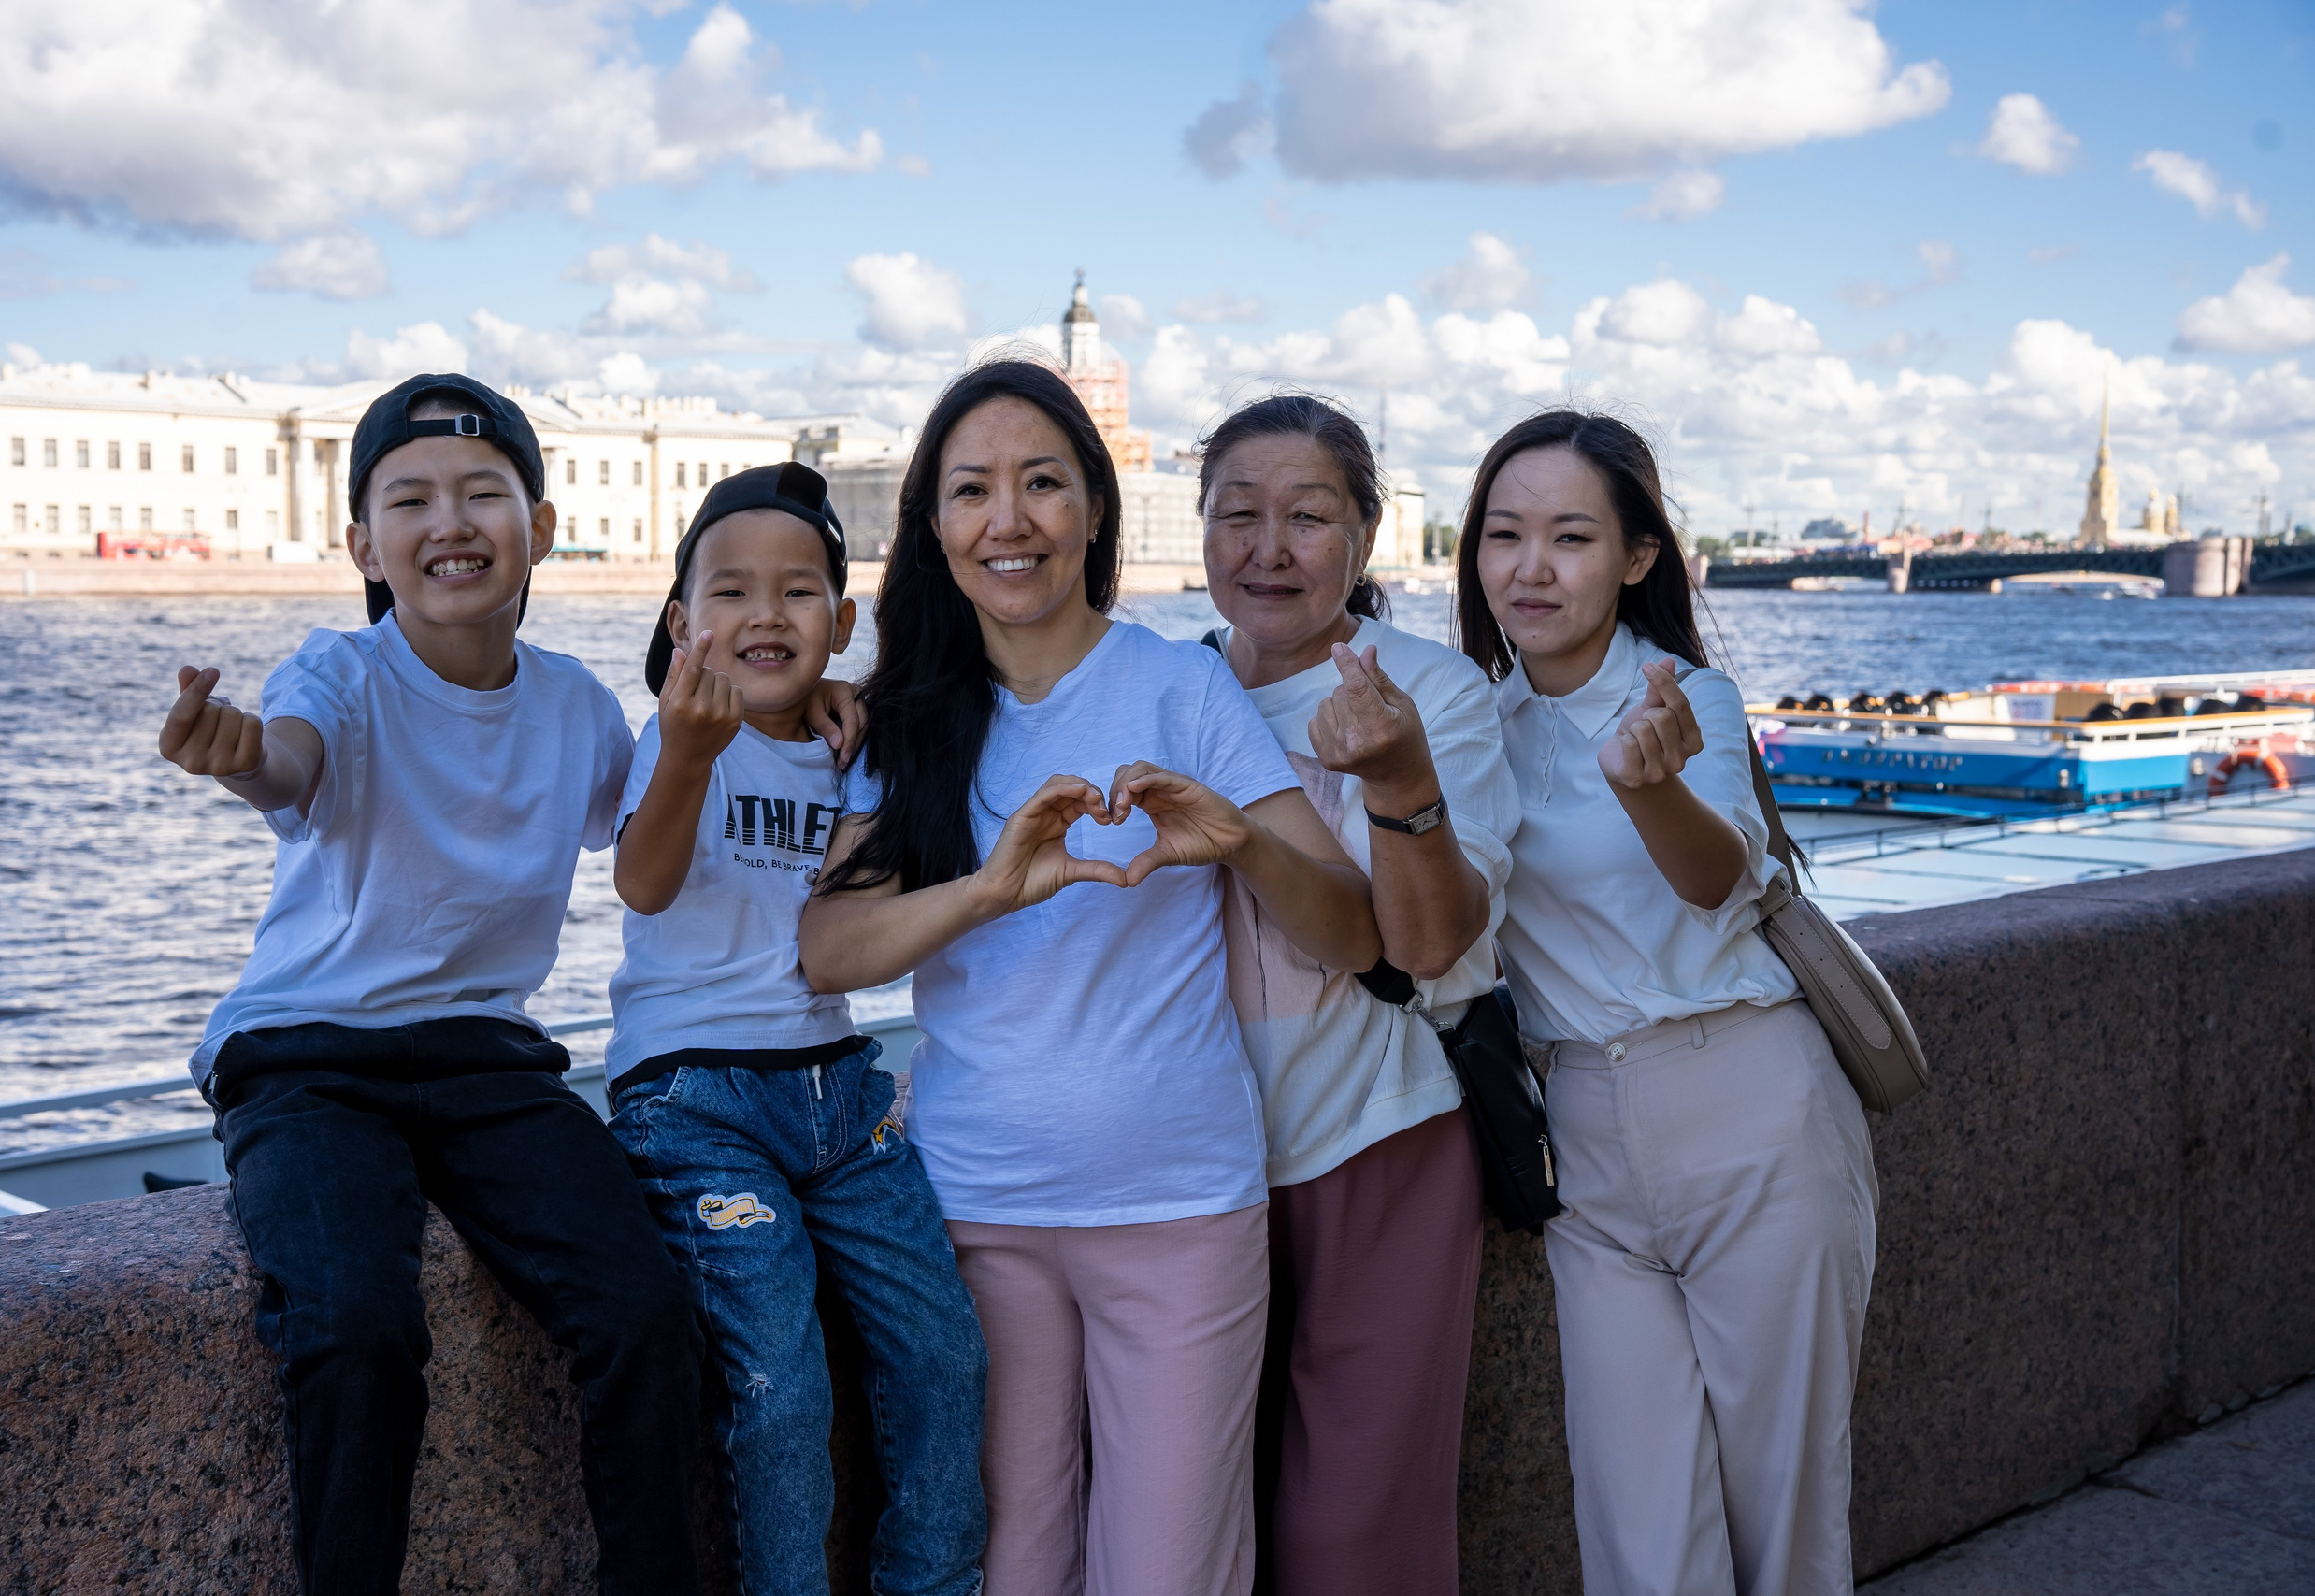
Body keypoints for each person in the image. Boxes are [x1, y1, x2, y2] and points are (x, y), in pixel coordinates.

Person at [797, 359, 1383, 1596]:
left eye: (1042, 483)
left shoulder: (1181, 683)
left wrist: (1241, 838)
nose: (1008, 520)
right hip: (976, 1207)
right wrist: (990, 885)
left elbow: (1352, 930)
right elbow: (829, 950)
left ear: (1096, 511)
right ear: (934, 526)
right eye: (971, 491)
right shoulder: (904, 718)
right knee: (1012, 1562)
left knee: (1168, 1571)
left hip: (1177, 1207)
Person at [158, 374, 704, 1595]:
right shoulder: (338, 674)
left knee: (644, 1307)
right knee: (357, 1324)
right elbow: (291, 762)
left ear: (541, 528)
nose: (448, 520)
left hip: (483, 1059)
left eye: (481, 493)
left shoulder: (572, 702)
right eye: (409, 498)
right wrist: (243, 753)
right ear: (362, 542)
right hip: (307, 1054)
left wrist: (739, 722)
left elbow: (646, 842)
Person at [1453, 410, 1879, 1596]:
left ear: (1637, 555)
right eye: (1503, 535)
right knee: (1634, 1514)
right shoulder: (1477, 722)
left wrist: (1646, 788)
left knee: (1783, 1510)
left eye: (1571, 537)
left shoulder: (1685, 697)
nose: (1529, 569)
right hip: (1582, 1140)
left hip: (1747, 1108)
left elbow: (1717, 880)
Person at [603, 460, 987, 1596]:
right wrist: (683, 753)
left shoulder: (853, 746)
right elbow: (642, 882)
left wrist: (852, 717)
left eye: (799, 592)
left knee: (944, 1353)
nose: (764, 615)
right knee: (781, 1383)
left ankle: (933, 1581)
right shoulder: (674, 736)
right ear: (682, 621)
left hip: (840, 1093)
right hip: (694, 1101)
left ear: (842, 619)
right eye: (729, 592)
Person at [1195, 394, 1521, 1596]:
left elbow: (1433, 943)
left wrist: (1396, 772)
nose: (1268, 549)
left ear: (1367, 538)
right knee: (1192, 1520)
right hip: (1188, 1159)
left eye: (1308, 517)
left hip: (1377, 1140)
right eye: (1238, 516)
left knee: (1351, 1539)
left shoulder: (1433, 694)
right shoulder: (1164, 686)